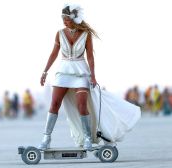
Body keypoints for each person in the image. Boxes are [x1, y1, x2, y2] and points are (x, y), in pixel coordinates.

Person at [38, 4, 141, 150]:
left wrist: (93, 76)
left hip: (81, 73)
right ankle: (46, 138)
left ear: (74, 19)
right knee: (54, 104)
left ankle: (87, 138)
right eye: (63, 18)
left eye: (66, 19)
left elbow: (90, 57)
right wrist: (45, 71)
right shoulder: (59, 33)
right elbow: (53, 53)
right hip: (63, 72)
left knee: (82, 105)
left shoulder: (86, 34)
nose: (64, 21)